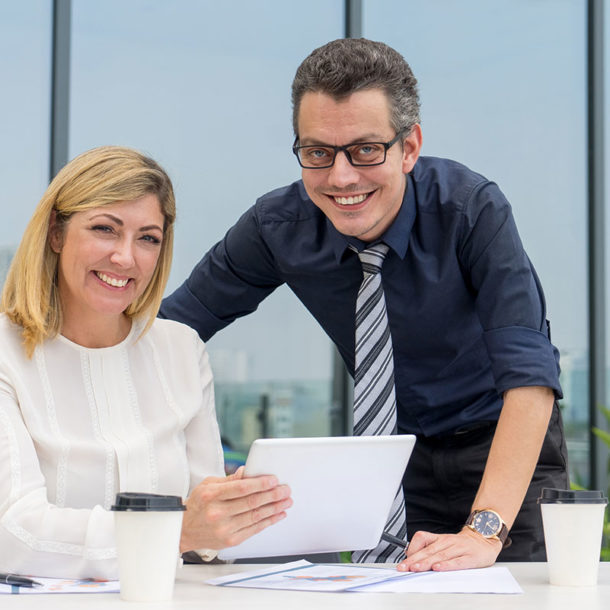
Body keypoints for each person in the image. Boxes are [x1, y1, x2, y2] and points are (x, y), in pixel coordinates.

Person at [160, 38, 568, 571]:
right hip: (393, 460)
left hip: (504, 450)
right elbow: (170, 332)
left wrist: (484, 529)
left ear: (410, 147)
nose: (341, 176)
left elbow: (530, 381)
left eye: (365, 150)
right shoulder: (277, 228)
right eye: (317, 153)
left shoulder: (470, 209)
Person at [0, 146, 291, 579]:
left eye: (148, 238)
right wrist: (175, 531)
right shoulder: (6, 354)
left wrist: (235, 511)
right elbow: (14, 534)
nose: (125, 257)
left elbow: (203, 526)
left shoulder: (181, 349)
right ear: (56, 234)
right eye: (105, 229)